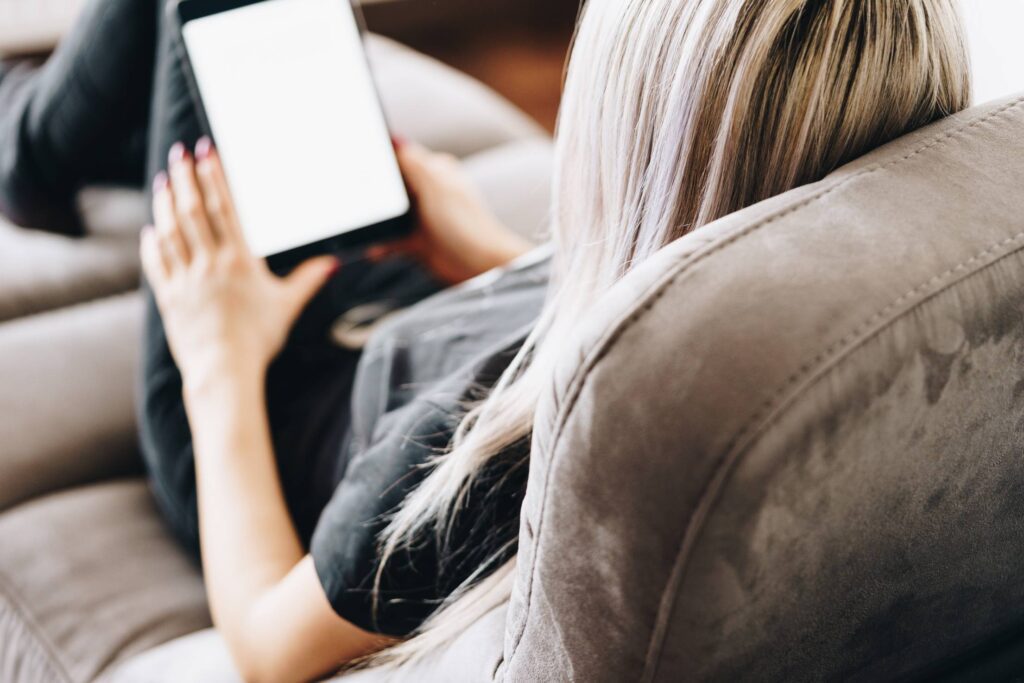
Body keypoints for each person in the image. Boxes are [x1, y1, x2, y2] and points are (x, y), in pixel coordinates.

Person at [0, 0, 971, 680]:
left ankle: (30, 154)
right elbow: (675, 279)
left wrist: (217, 353)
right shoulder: (799, 322)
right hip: (427, 307)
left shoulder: (468, 460)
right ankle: (52, 137)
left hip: (271, 396)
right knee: (271, 36)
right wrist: (493, 259)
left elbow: (264, 642)